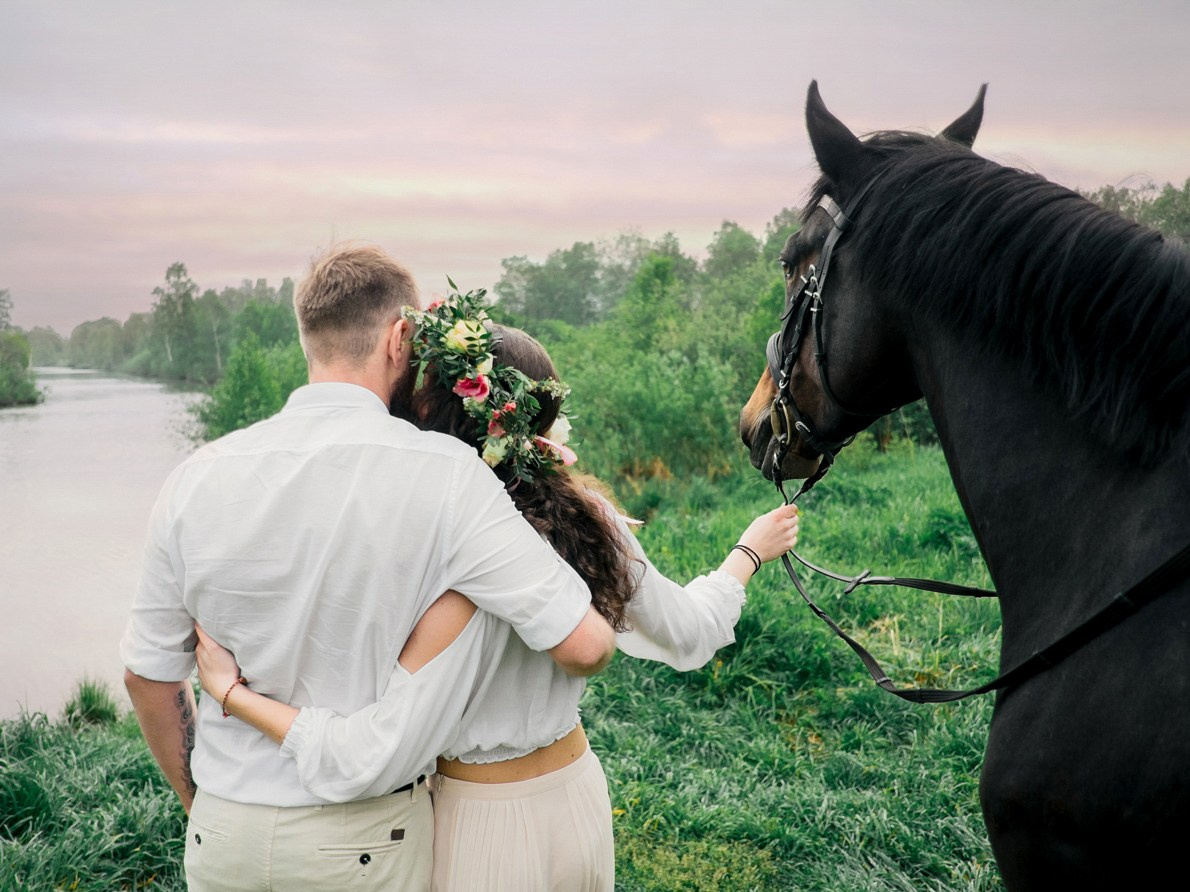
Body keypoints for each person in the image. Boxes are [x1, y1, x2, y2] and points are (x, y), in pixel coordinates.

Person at [194, 286, 800, 891]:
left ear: (430, 415)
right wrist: (746, 554)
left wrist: (230, 692)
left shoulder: (432, 543)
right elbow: (690, 633)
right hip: (576, 799)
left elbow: (367, 747)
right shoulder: (588, 519)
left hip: (479, 827)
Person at [119, 246, 616, 892]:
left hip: (225, 834)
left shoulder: (195, 479)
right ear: (399, 337)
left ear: (308, 337)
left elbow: (146, 676)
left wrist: (208, 802)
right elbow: (585, 642)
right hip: (365, 842)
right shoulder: (446, 475)